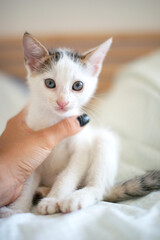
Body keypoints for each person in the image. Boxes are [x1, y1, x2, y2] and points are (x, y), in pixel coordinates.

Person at [0, 109, 89, 207]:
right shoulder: (33, 117)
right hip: (45, 180)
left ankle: (94, 191)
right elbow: (36, 168)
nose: (63, 101)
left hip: (83, 177)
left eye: (77, 91)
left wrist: (59, 193)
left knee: (103, 139)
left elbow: (82, 157)